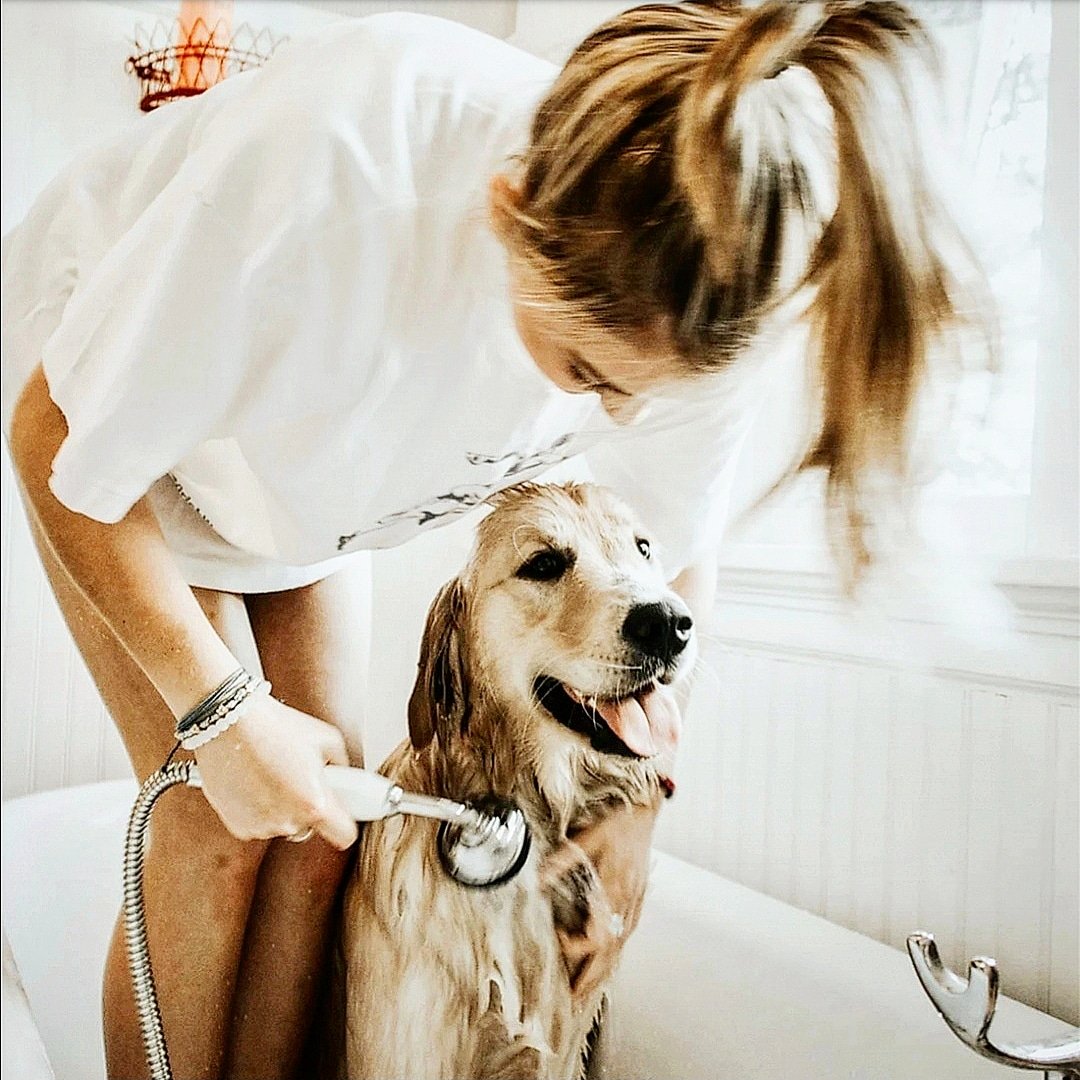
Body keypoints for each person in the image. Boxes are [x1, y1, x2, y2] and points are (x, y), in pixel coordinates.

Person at [2, 2, 978, 1078]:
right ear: (508, 213)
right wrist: (221, 716)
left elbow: (681, 552)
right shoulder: (341, 170)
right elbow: (55, 438)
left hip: (302, 477)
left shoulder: (698, 281)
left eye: (644, 396)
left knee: (322, 844)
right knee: (214, 829)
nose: (617, 422)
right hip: (111, 426)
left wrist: (641, 804)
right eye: (589, 377)